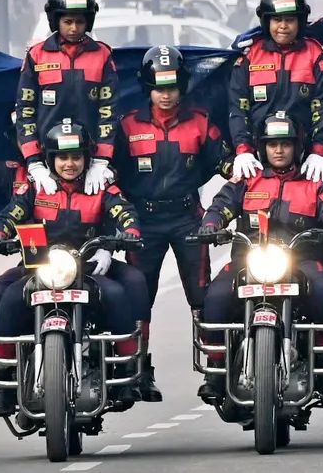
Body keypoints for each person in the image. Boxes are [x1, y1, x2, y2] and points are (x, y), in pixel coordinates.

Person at [0, 119, 147, 414]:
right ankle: (4, 384)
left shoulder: (101, 186)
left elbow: (125, 214)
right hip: (41, 268)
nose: (69, 164)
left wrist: (126, 235)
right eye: (62, 157)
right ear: (50, 159)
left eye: (76, 156)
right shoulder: (36, 188)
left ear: (86, 158)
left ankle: (125, 375)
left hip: (89, 266)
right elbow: (11, 214)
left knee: (125, 290)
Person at [195, 112, 323, 406]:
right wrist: (211, 225)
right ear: (262, 147)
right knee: (216, 295)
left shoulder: (314, 182)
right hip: (250, 258)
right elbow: (220, 207)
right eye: (272, 144)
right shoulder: (246, 181)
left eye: (285, 144)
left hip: (300, 260)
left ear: (298, 146)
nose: (279, 150)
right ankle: (216, 371)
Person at [114, 45, 228, 400]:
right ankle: (137, 372)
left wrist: (244, 169)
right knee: (139, 297)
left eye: (173, 86)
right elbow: (110, 172)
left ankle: (216, 371)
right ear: (147, 87)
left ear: (183, 87)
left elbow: (225, 163)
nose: (166, 94)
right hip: (142, 221)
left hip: (186, 219)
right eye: (159, 87)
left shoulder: (201, 122)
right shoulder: (127, 125)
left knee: (202, 297)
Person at [16, 0, 121, 195]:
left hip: (90, 164)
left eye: (80, 22)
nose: (74, 28)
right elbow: (25, 111)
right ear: (55, 20)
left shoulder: (102, 56)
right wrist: (34, 162)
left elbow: (108, 111)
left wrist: (101, 160)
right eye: (68, 21)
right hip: (47, 163)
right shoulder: (37, 55)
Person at [226, 0, 323, 186]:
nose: (283, 26)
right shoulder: (250, 55)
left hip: (304, 161)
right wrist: (243, 150)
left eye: (290, 20)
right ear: (266, 21)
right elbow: (238, 107)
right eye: (277, 20)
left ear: (300, 21)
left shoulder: (316, 55)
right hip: (258, 160)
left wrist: (318, 152)